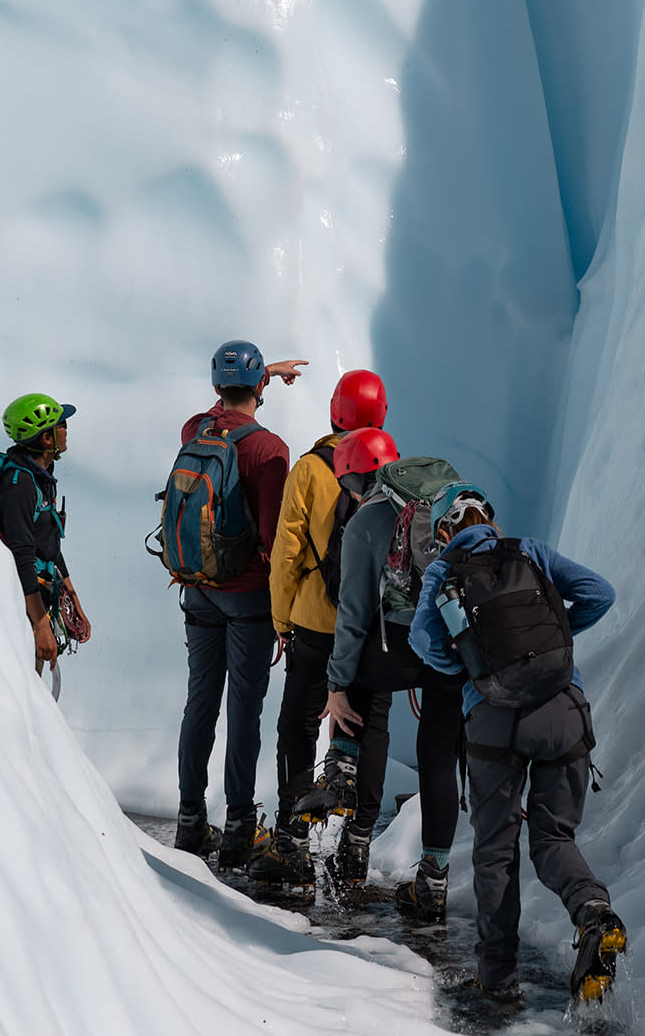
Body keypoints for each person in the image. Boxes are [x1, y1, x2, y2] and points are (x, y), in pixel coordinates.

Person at [408, 488, 625, 1007]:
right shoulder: (530, 551)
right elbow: (600, 593)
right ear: (488, 518)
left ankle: (498, 979)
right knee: (553, 839)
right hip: (564, 710)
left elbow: (423, 641)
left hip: (494, 723)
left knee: (496, 854)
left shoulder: (442, 571)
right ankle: (593, 911)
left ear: (444, 531)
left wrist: (475, 663)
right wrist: (554, 637)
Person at [295, 449, 466, 922]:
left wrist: (336, 686)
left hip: (401, 648)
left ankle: (342, 773)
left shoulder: (365, 522)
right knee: (438, 762)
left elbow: (352, 616)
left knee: (357, 678)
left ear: (352, 482)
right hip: (453, 649)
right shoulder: (453, 504)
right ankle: (433, 880)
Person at [254, 377, 394, 889]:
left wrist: (281, 621)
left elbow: (286, 553)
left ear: (335, 412)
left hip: (315, 625)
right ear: (381, 414)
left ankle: (292, 842)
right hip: (376, 631)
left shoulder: (311, 469)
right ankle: (356, 847)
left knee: (298, 727)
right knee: (368, 729)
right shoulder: (393, 471)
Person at [173, 340, 305, 869]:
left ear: (215, 386)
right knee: (244, 711)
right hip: (248, 596)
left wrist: (260, 373)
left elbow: (218, 411)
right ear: (258, 389)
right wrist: (283, 611)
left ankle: (189, 821)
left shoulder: (195, 430)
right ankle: (238, 828)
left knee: (200, 702)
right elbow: (273, 537)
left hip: (198, 588)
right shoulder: (270, 450)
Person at [0, 394, 92, 672]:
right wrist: (40, 626)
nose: (66, 430)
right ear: (47, 439)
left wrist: (75, 602)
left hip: (38, 599)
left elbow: (49, 546)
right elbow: (23, 557)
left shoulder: (41, 478)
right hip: (24, 607)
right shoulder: (21, 486)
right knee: (23, 681)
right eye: (62, 425)